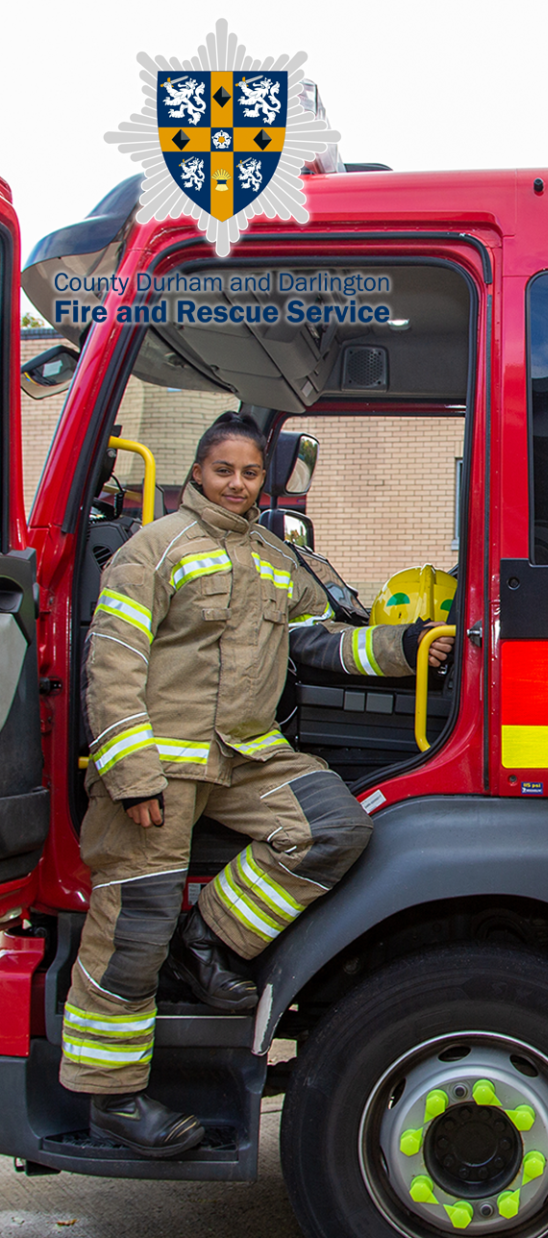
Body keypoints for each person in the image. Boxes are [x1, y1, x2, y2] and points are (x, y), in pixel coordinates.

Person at [67, 412, 452, 1157]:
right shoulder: (156, 548)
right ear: (198, 475)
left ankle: (207, 939)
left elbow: (320, 640)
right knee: (130, 930)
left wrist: (411, 647)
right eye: (224, 472)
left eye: (249, 474)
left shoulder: (276, 557)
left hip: (247, 754)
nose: (238, 485)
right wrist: (131, 774)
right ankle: (111, 1099)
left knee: (334, 830)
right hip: (164, 762)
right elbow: (111, 666)